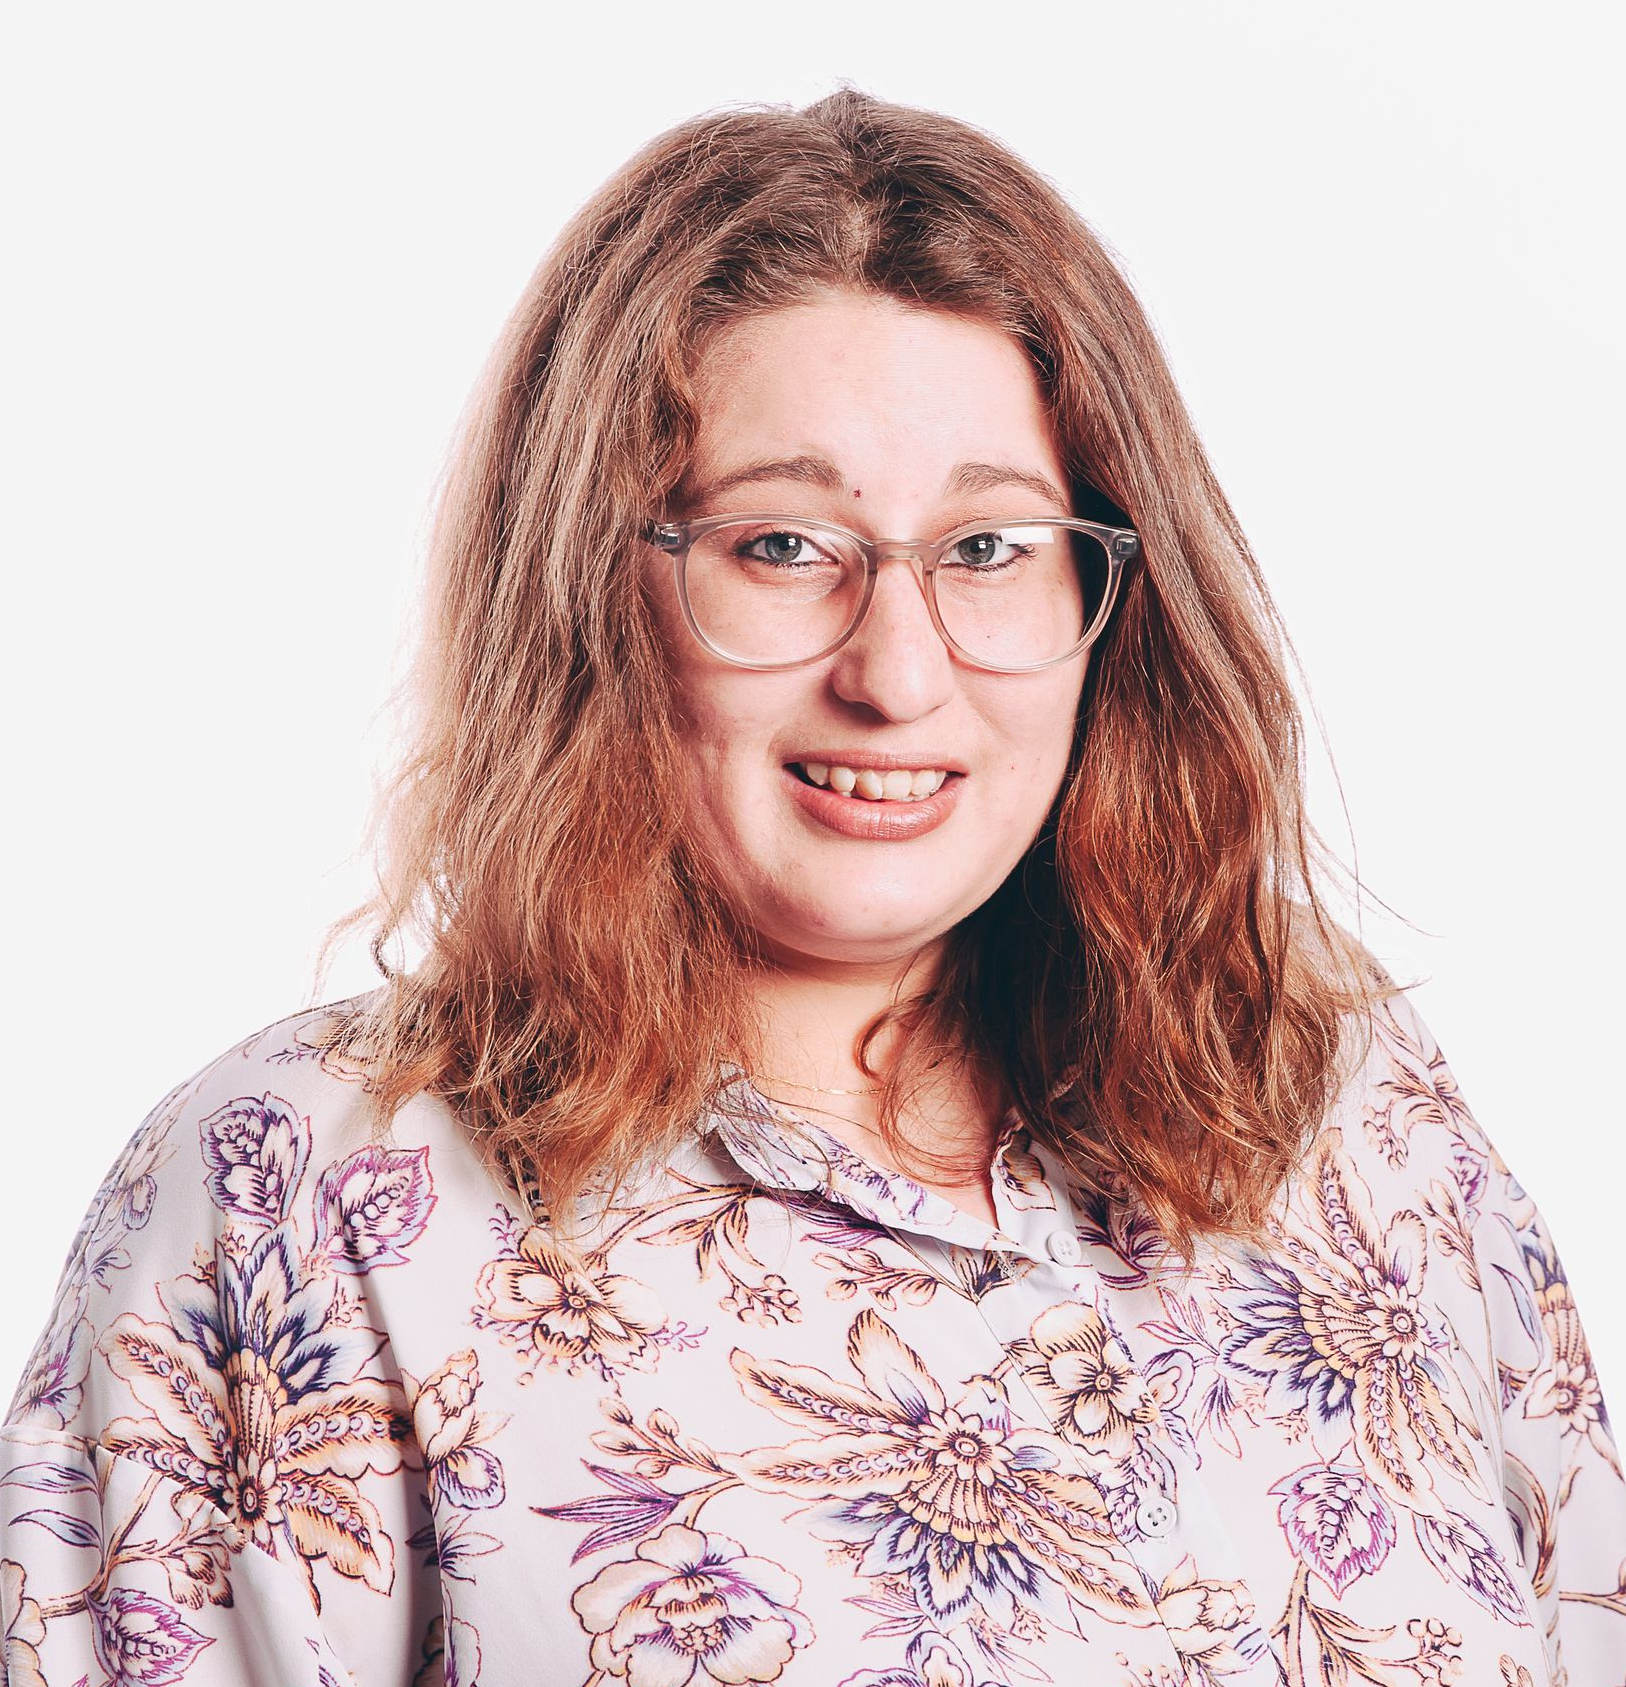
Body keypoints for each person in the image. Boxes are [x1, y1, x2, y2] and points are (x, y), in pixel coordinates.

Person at [3, 87, 1621, 1687]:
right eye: (780, 546)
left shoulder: (1352, 1121)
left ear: (1109, 593)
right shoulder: (308, 1191)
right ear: (590, 595)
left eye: (988, 548)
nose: (898, 673)